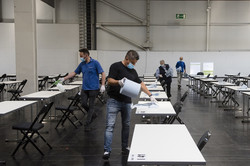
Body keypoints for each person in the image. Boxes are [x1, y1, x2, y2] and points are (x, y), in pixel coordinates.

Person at [103, 50, 157, 160]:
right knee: (110, 126)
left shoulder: (133, 71)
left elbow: (140, 83)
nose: (134, 64)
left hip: (127, 101)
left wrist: (150, 94)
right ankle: (107, 150)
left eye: (135, 63)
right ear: (127, 58)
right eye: (133, 62)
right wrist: (118, 82)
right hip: (114, 100)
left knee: (126, 125)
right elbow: (109, 80)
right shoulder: (115, 66)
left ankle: (125, 147)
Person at [59, 48, 106, 132]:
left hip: (94, 88)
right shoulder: (82, 64)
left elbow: (103, 73)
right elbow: (74, 73)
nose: (80, 57)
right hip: (85, 88)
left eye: (81, 55)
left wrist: (102, 85)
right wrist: (64, 78)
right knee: (83, 103)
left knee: (91, 106)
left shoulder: (95, 63)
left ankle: (87, 124)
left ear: (86, 55)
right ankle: (93, 115)